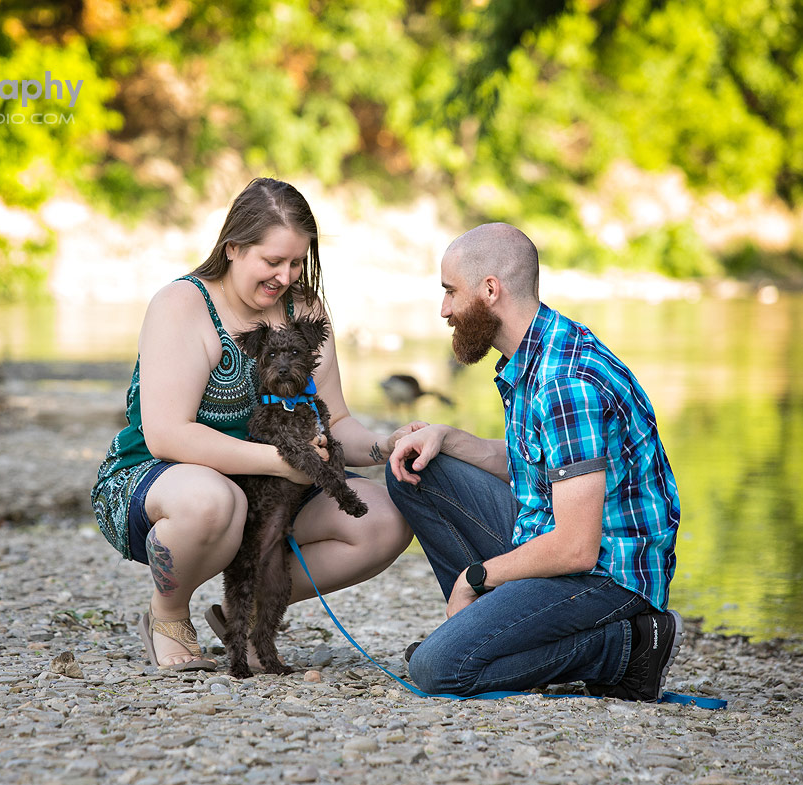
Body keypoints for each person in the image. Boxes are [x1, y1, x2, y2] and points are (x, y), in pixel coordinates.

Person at [92, 178, 423, 671]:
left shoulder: (305, 311)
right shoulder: (181, 305)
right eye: (273, 262)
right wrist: (282, 460)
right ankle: (168, 612)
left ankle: (244, 614)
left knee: (385, 519)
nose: (285, 276)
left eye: (296, 262)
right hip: (166, 480)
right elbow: (168, 434)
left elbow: (338, 422)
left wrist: (384, 445)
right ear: (233, 248)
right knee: (214, 501)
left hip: (275, 489)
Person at [386, 223, 683, 701]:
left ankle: (628, 647)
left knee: (438, 670)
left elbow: (576, 549)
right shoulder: (535, 352)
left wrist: (474, 579)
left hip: (604, 574)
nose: (444, 310)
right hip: (549, 533)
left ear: (489, 290)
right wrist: (448, 437)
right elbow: (537, 465)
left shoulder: (566, 380)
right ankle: (486, 635)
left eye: (449, 293)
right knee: (418, 470)